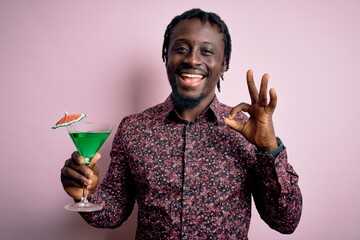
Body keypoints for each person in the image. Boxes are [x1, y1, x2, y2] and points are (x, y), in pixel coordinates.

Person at [61, 8, 302, 239]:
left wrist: (269, 148)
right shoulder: (134, 129)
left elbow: (286, 221)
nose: (192, 59)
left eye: (207, 51)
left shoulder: (246, 131)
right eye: (182, 48)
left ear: (224, 63)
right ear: (166, 56)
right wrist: (87, 196)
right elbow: (113, 212)